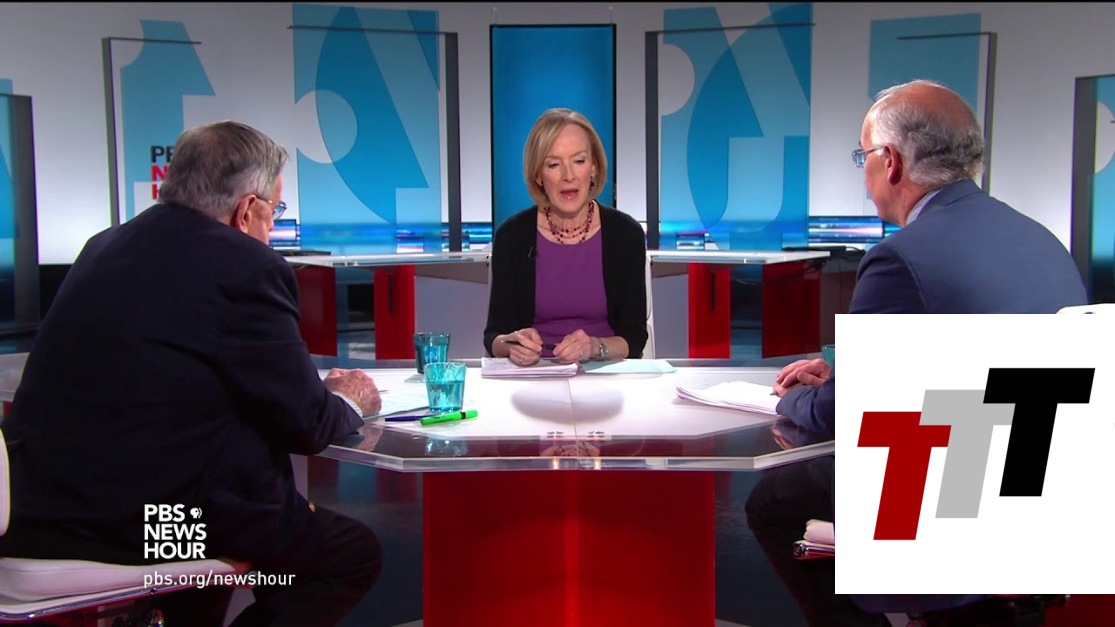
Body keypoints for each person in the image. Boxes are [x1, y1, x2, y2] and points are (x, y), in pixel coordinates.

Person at [0, 121, 383, 626]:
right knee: (347, 557)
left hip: (37, 509)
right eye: (275, 211)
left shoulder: (105, 245)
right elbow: (307, 424)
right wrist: (349, 398)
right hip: (152, 525)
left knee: (227, 529)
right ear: (247, 209)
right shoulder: (247, 266)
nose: (272, 227)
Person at [747, 79, 1088, 626]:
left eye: (862, 155)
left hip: (953, 496)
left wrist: (788, 399)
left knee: (774, 501)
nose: (863, 171)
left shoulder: (901, 257)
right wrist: (850, 370)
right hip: (1039, 491)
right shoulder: (1040, 239)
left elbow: (842, 414)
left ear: (891, 161)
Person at [484, 107, 648, 366]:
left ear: (593, 168)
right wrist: (513, 344)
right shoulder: (512, 236)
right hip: (533, 374)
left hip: (605, 373)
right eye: (553, 164)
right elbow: (494, 336)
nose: (568, 176)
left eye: (579, 161)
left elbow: (634, 338)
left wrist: (594, 347)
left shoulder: (625, 234)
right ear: (538, 175)